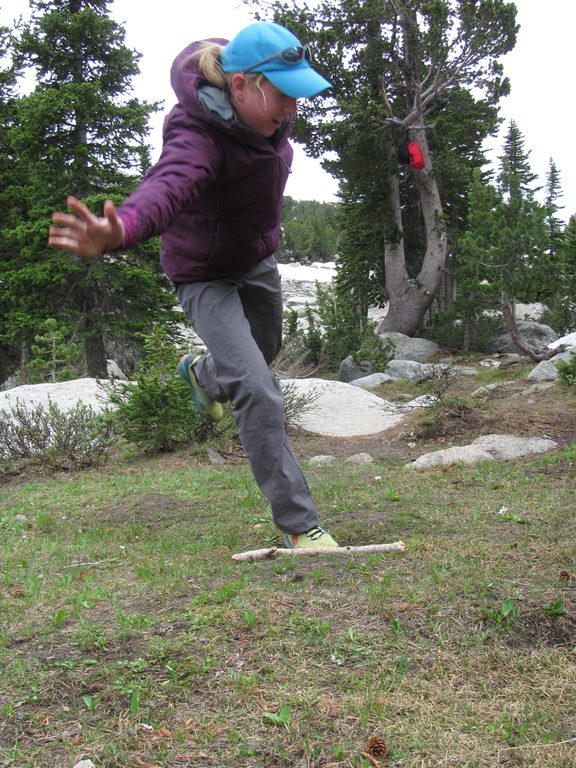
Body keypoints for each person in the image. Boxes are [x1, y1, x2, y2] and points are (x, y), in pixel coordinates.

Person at [48, 20, 339, 550]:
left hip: (256, 261)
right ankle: (301, 526)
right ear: (242, 86)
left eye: (300, 95)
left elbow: (274, 130)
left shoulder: (270, 117)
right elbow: (169, 185)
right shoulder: (197, 133)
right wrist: (123, 230)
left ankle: (204, 375)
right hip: (204, 273)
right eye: (284, 95)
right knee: (256, 388)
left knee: (264, 349)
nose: (293, 108)